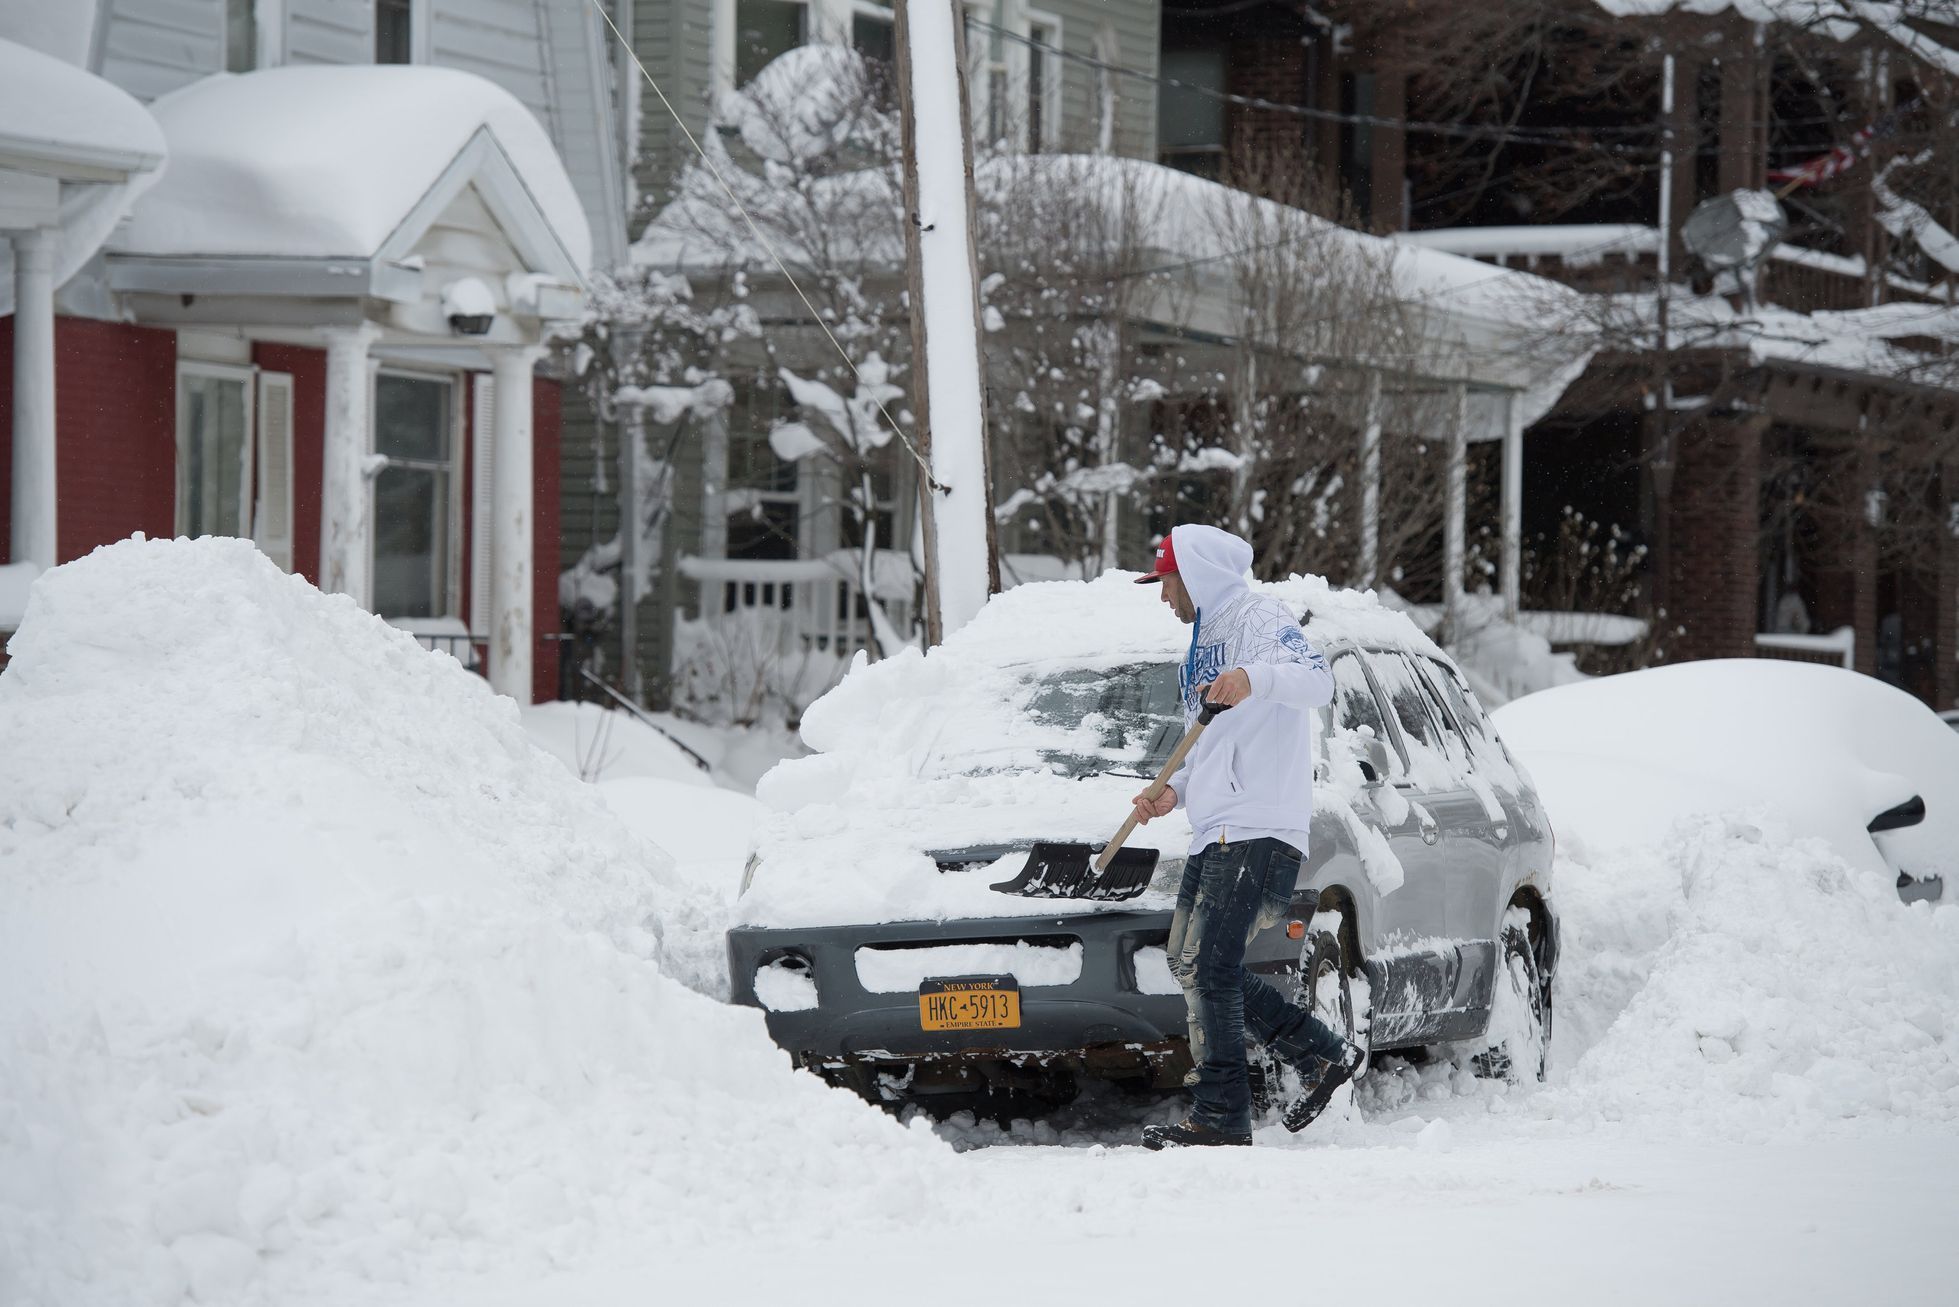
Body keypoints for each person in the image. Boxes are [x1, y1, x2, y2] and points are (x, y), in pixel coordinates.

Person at [1130, 524, 1364, 1149]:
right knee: (1191, 960)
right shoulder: (1203, 641)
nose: (1163, 598)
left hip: (1260, 823)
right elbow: (1210, 742)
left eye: (1167, 583)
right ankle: (1318, 1054)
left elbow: (1319, 681)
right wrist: (1173, 794)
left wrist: (1254, 678)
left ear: (1196, 574)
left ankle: (1222, 1114)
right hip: (1217, 827)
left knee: (1211, 963)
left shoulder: (1260, 617)